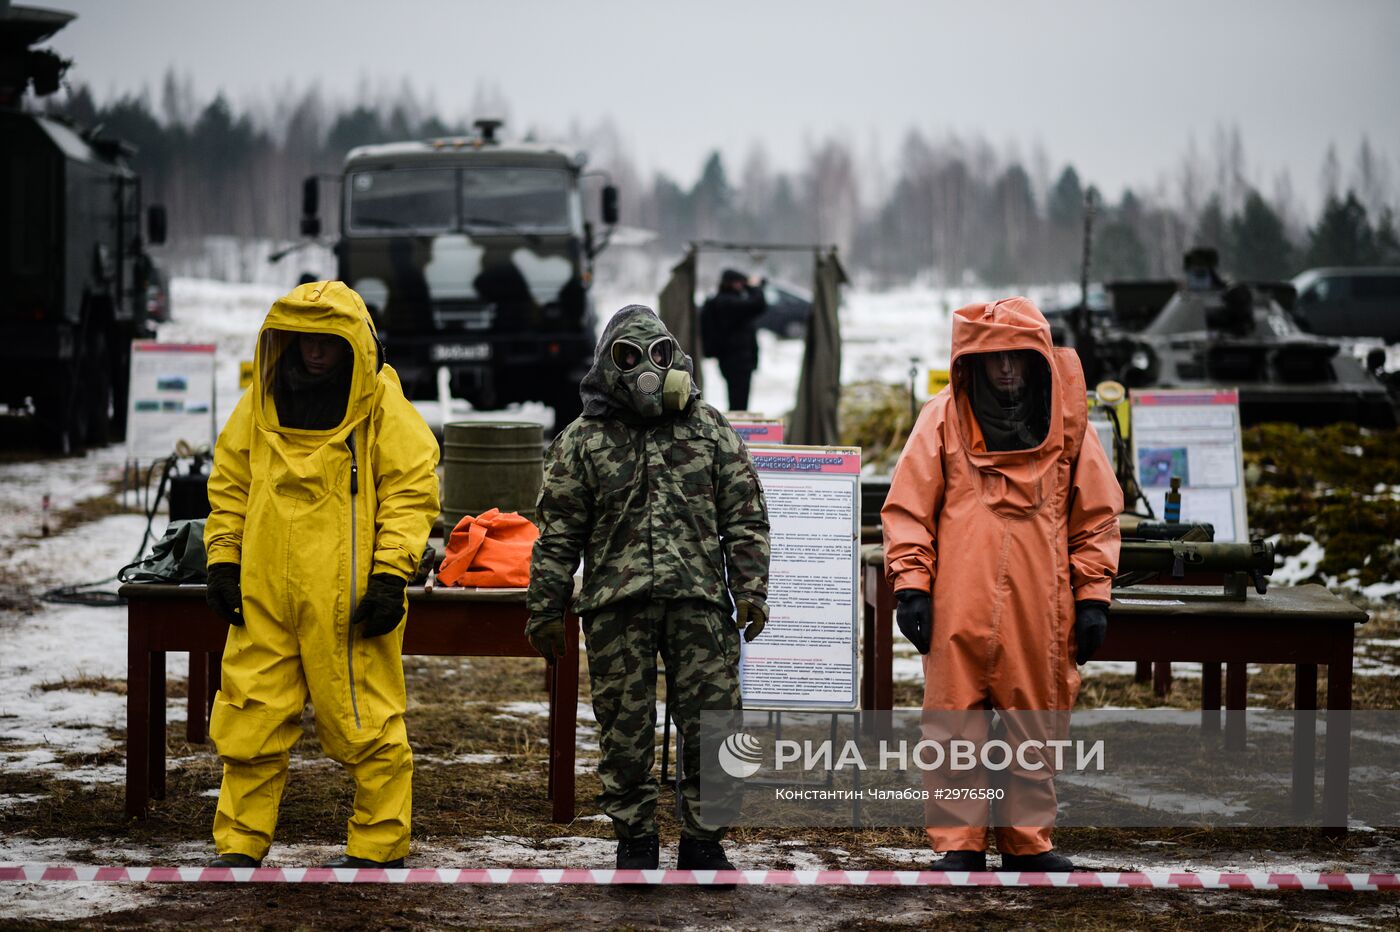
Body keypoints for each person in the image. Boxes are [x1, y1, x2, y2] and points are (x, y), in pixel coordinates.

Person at [202, 280, 440, 869]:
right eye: (304, 341)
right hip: (264, 590)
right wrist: (223, 558)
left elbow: (411, 490)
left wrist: (391, 574)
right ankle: (239, 843)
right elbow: (230, 483)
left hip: (348, 597)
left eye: (327, 343)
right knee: (249, 715)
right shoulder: (261, 401)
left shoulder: (382, 406)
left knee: (367, 721)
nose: (313, 353)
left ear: (353, 345)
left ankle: (379, 845)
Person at [527, 304, 770, 872]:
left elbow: (745, 516)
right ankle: (635, 838)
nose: (646, 370)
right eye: (629, 358)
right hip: (616, 610)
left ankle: (704, 843)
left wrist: (752, 591)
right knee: (623, 729)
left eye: (659, 355)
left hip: (701, 605)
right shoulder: (583, 440)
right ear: (609, 366)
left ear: (675, 358)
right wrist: (545, 608)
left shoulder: (707, 428)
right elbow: (558, 532)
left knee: (713, 724)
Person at [881, 296, 1121, 872]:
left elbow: (1097, 516)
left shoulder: (1068, 426)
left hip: (1041, 608)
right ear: (976, 362)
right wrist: (912, 584)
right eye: (995, 358)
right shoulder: (941, 418)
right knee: (954, 721)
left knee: (1035, 721)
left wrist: (1093, 597)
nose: (1007, 368)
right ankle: (959, 845)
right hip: (957, 605)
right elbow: (909, 507)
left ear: (1036, 358)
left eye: (1017, 356)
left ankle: (1027, 843)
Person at [700, 268, 767, 411]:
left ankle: (735, 428)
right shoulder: (726, 302)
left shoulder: (722, 301)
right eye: (740, 283)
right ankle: (736, 431)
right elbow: (758, 304)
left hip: (734, 359)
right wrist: (753, 287)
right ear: (732, 283)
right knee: (738, 404)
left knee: (737, 401)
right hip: (736, 361)